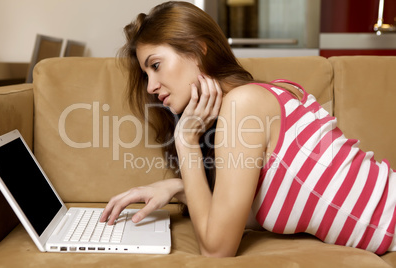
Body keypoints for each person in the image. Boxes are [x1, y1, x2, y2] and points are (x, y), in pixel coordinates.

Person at [100, 1, 396, 257]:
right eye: (145, 73)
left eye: (156, 65)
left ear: (197, 49)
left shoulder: (246, 103)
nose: (151, 87)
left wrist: (186, 140)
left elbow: (217, 249)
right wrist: (176, 188)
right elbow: (239, 216)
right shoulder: (249, 103)